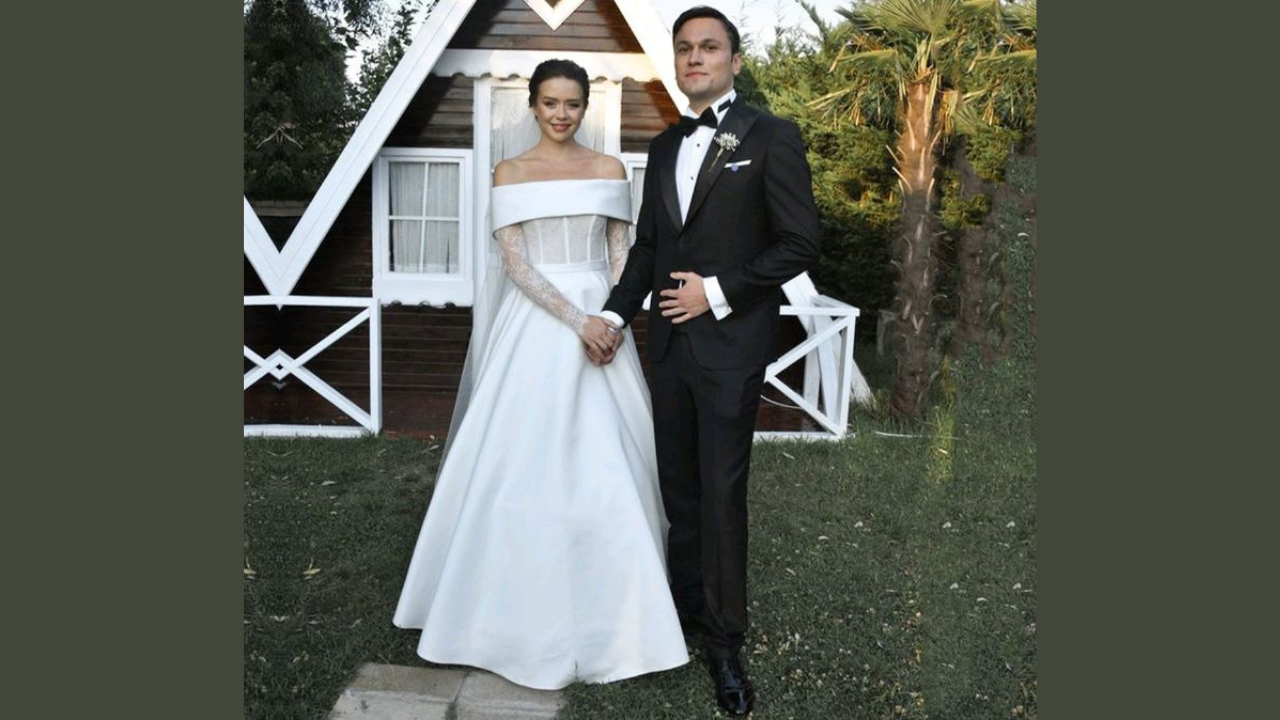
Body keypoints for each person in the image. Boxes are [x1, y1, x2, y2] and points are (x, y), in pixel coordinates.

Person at [393, 59, 689, 690]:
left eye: (572, 104)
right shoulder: (510, 172)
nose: (561, 114)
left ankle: (626, 607)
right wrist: (577, 320)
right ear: (532, 105)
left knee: (613, 459)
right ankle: (499, 609)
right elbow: (517, 266)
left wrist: (612, 320)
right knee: (518, 458)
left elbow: (620, 254)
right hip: (539, 324)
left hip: (603, 323)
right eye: (550, 102)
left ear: (585, 107)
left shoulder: (609, 170)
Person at [599, 6, 821, 715]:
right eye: (685, 48)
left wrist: (717, 292)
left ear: (734, 60)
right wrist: (613, 314)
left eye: (709, 47)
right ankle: (681, 613)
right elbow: (648, 248)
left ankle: (725, 646)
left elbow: (799, 243)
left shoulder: (771, 136)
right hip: (666, 347)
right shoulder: (664, 146)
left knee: (722, 497)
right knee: (679, 491)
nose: (695, 58)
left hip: (730, 349)